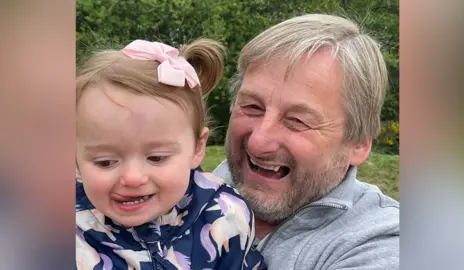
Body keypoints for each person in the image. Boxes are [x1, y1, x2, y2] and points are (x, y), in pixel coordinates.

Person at [213, 14, 400, 269]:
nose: (258, 142)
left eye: (297, 121)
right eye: (252, 107)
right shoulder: (176, 196)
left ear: (359, 144)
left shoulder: (381, 244)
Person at [75, 39, 266, 269]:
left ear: (197, 148)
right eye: (105, 162)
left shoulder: (224, 216)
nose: (133, 178)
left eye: (156, 158)